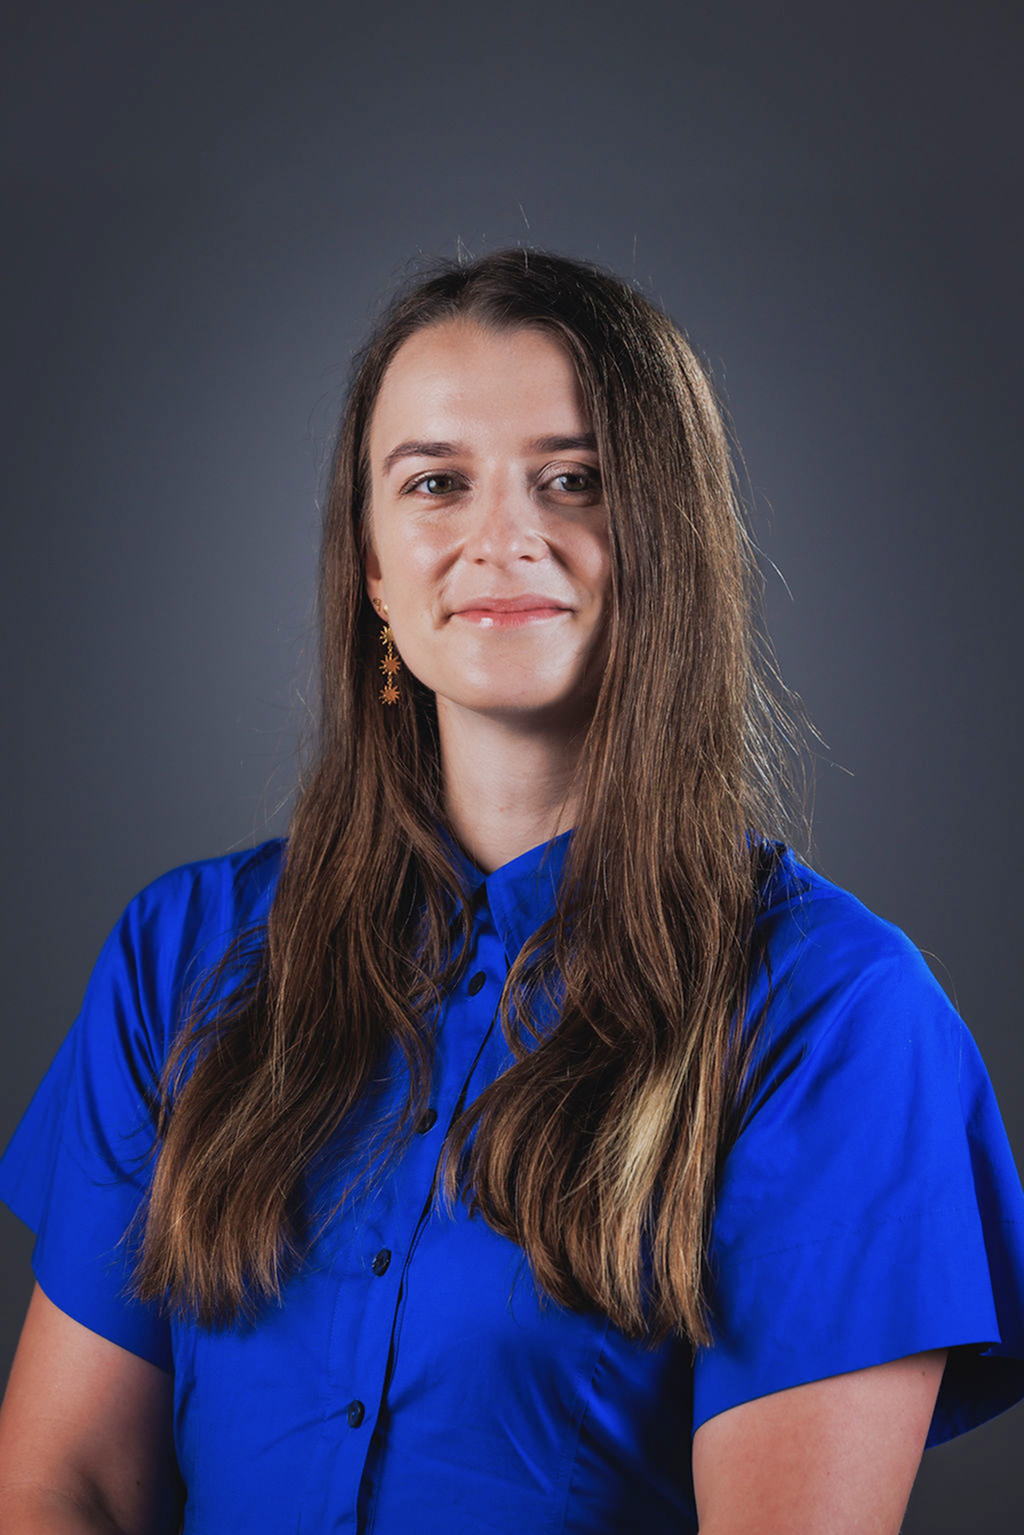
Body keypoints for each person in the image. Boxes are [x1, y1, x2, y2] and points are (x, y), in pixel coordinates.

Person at [0, 246, 1022, 1535]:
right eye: (435, 483)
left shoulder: (836, 1016)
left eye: (574, 481)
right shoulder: (181, 954)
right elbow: (66, 1480)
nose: (501, 537)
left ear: (669, 542)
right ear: (372, 568)